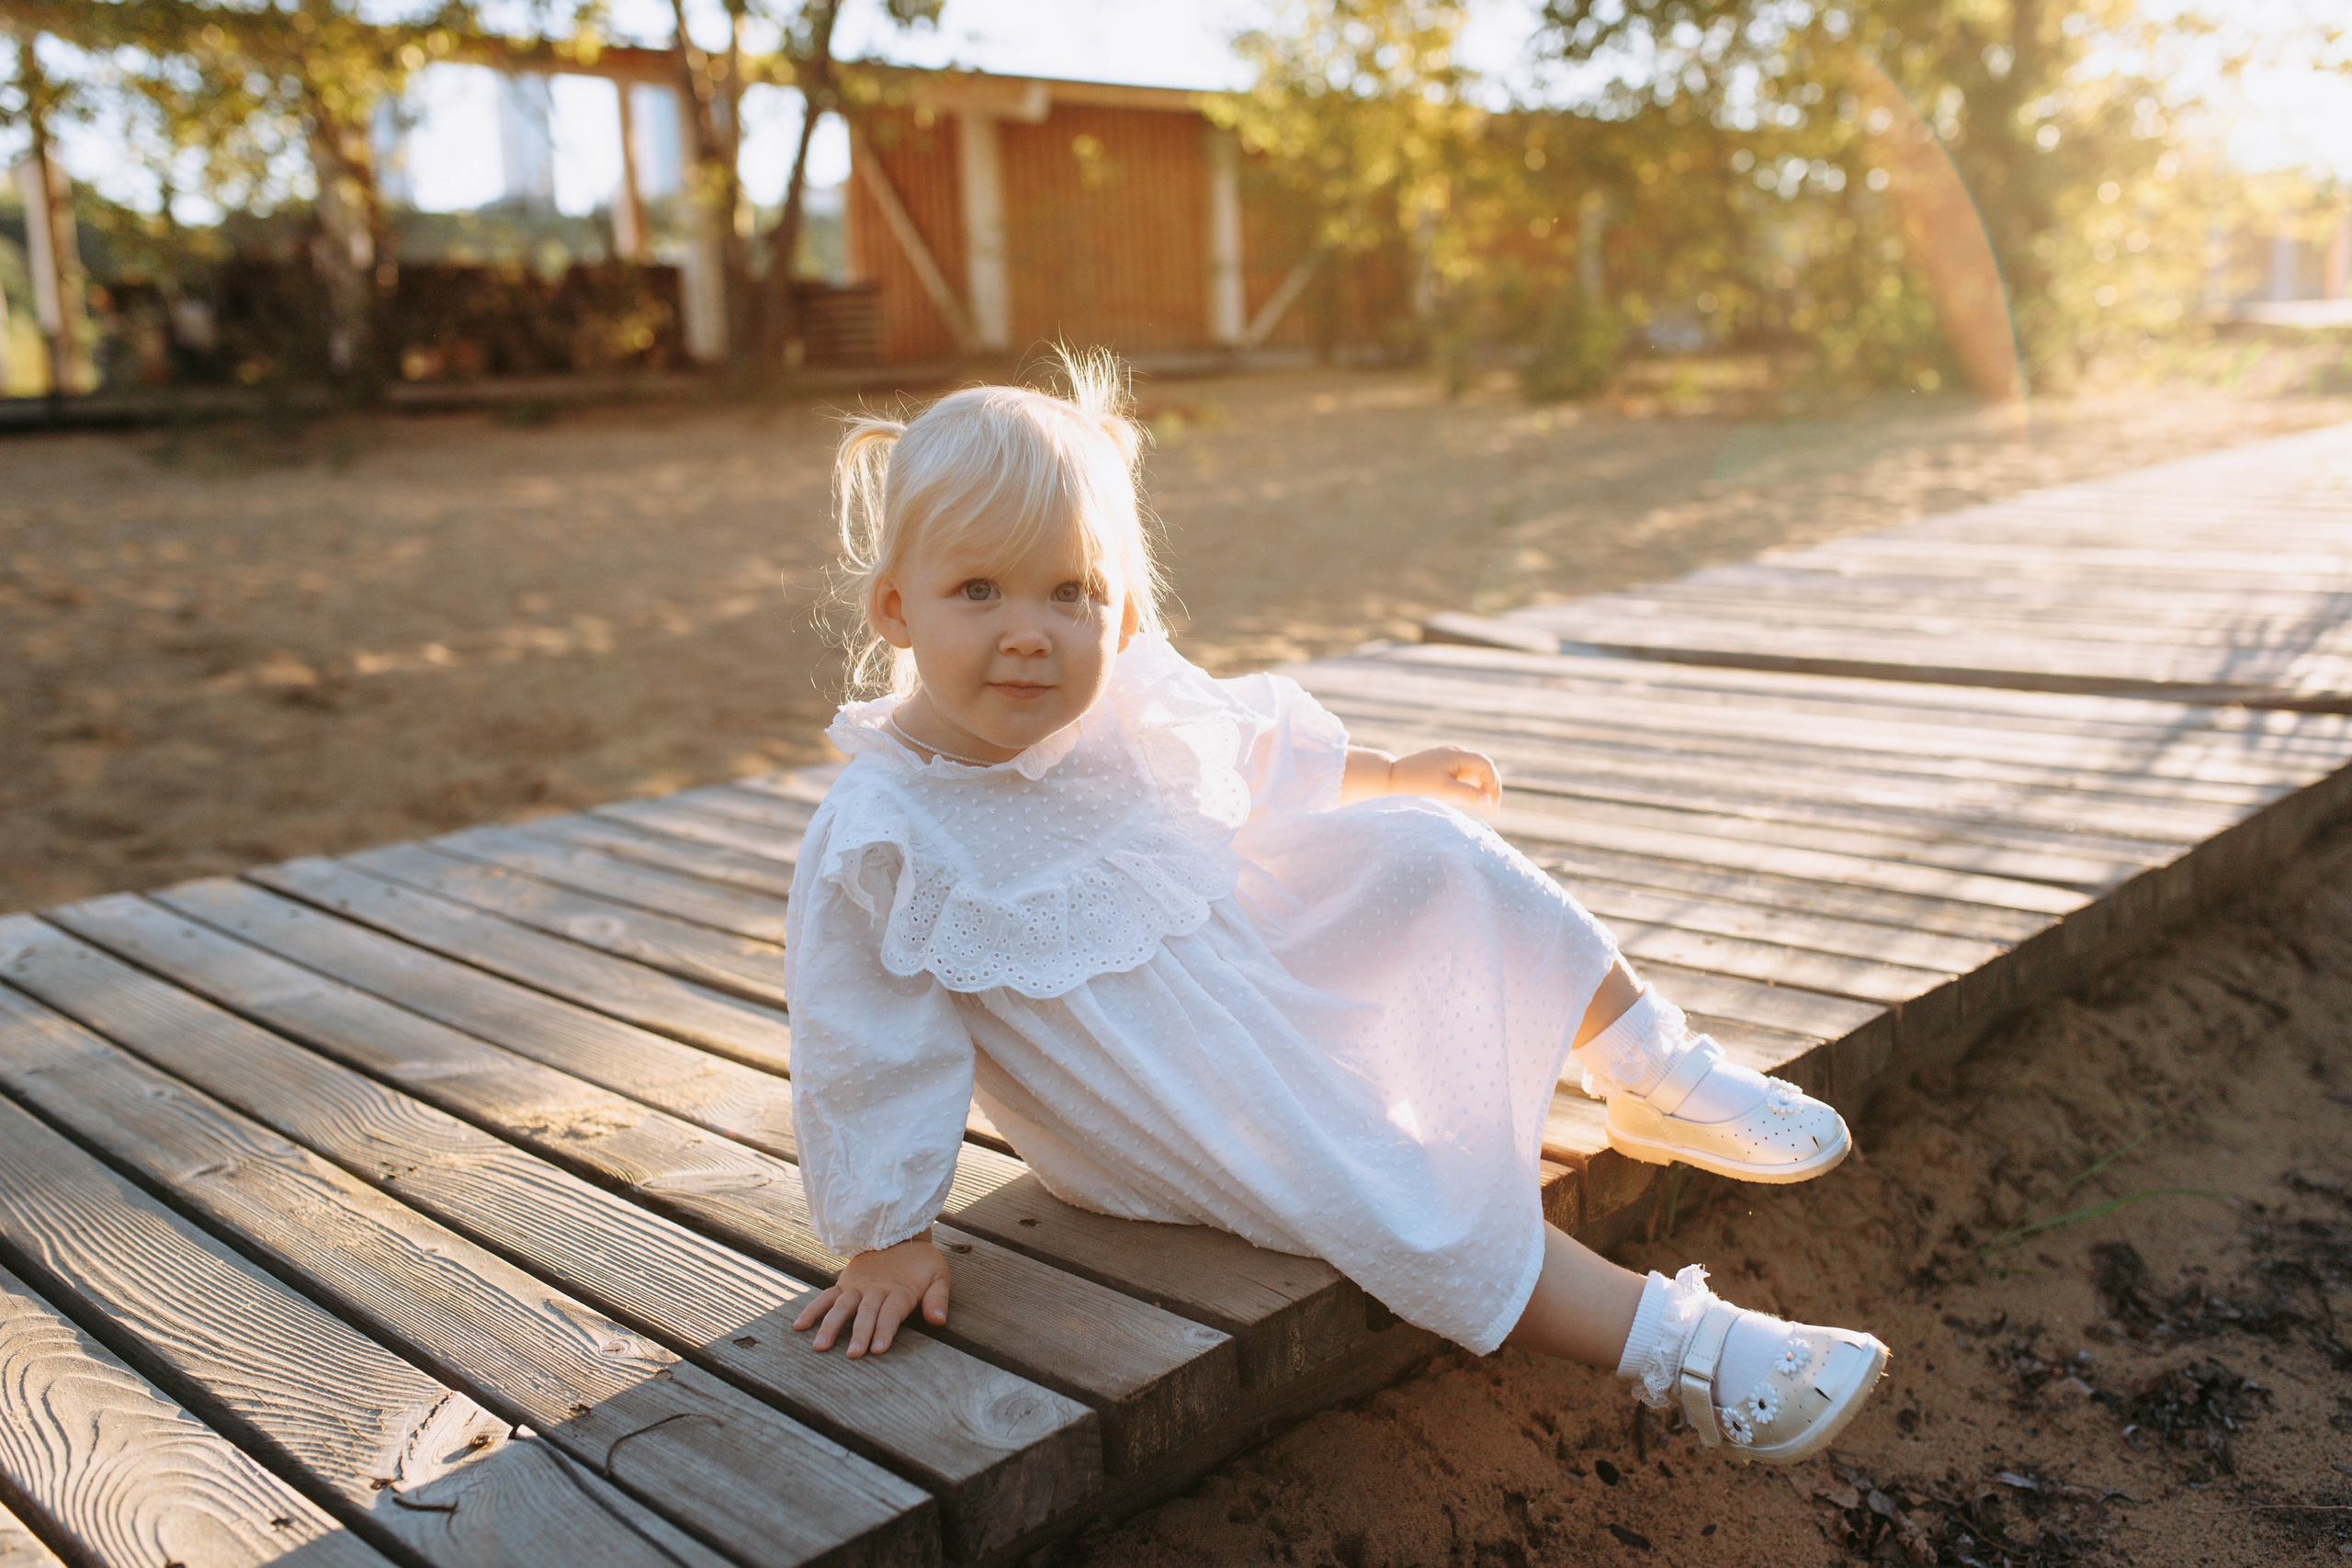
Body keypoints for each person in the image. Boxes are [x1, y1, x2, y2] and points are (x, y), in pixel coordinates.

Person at [786, 355, 1886, 1463]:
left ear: (1118, 617)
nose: (1031, 632)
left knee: (1432, 849)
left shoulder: (1124, 703)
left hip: (1241, 965)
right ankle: (1682, 1346)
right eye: (979, 591)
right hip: (1153, 1100)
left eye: (1072, 593)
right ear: (895, 608)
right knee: (1389, 1172)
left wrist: (1391, 775)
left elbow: (1254, 746)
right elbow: (866, 1047)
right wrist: (889, 1234)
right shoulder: (882, 831)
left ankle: (1651, 1067)